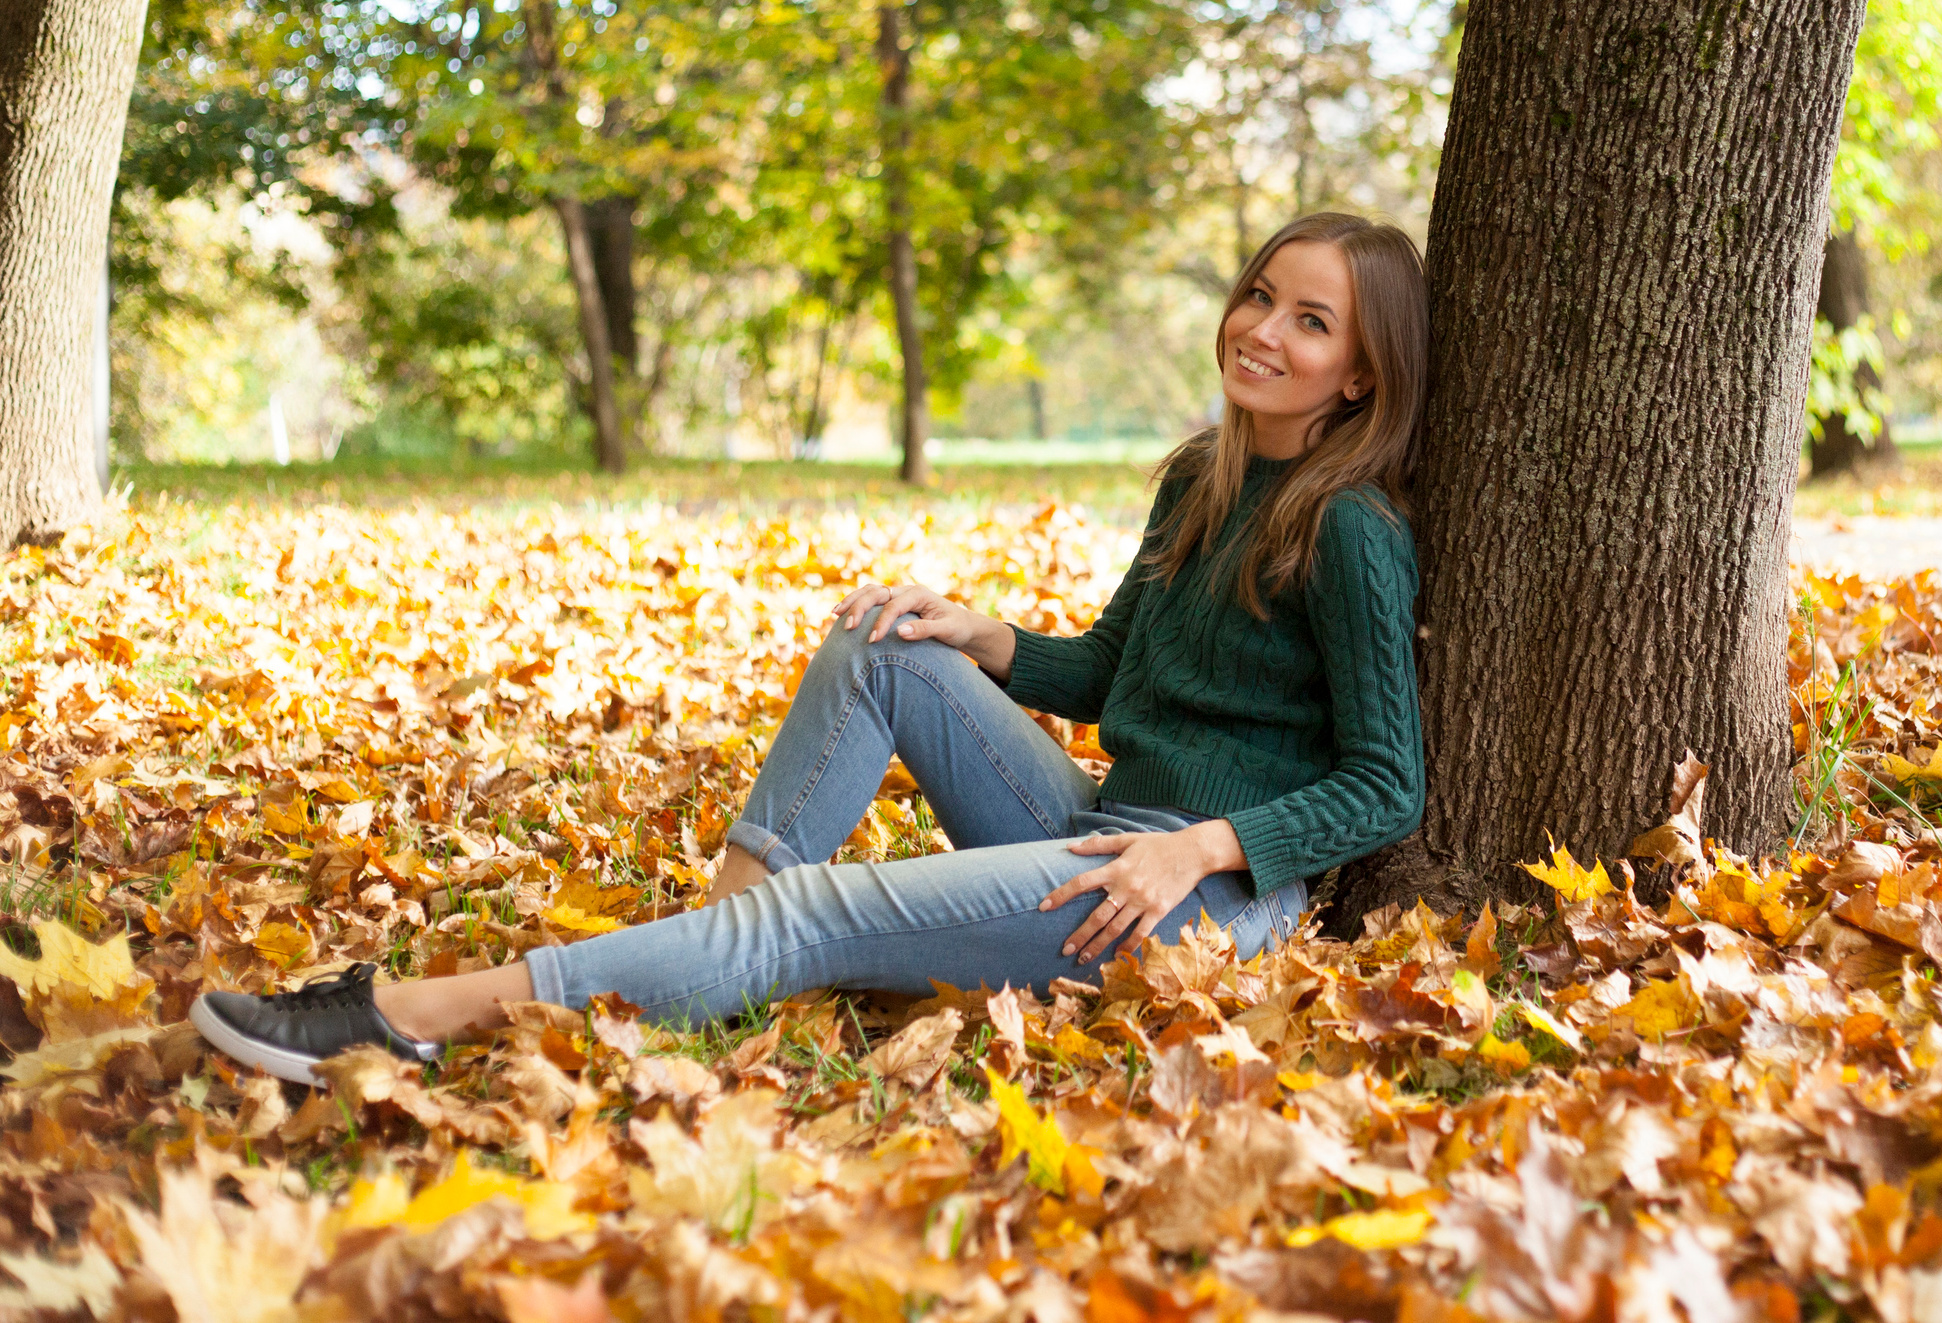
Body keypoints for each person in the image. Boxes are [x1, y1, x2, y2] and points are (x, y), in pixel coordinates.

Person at [191, 213, 1430, 1084]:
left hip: (1192, 903)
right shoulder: (1199, 482)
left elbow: (1388, 784)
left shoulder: (1350, 530)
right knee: (881, 644)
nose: (1263, 328)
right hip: (1104, 830)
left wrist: (1204, 855)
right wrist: (982, 635)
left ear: (1361, 377)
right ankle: (717, 938)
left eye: (1309, 321)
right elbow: (1111, 677)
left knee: (826, 911)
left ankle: (410, 1017)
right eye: (1259, 294)